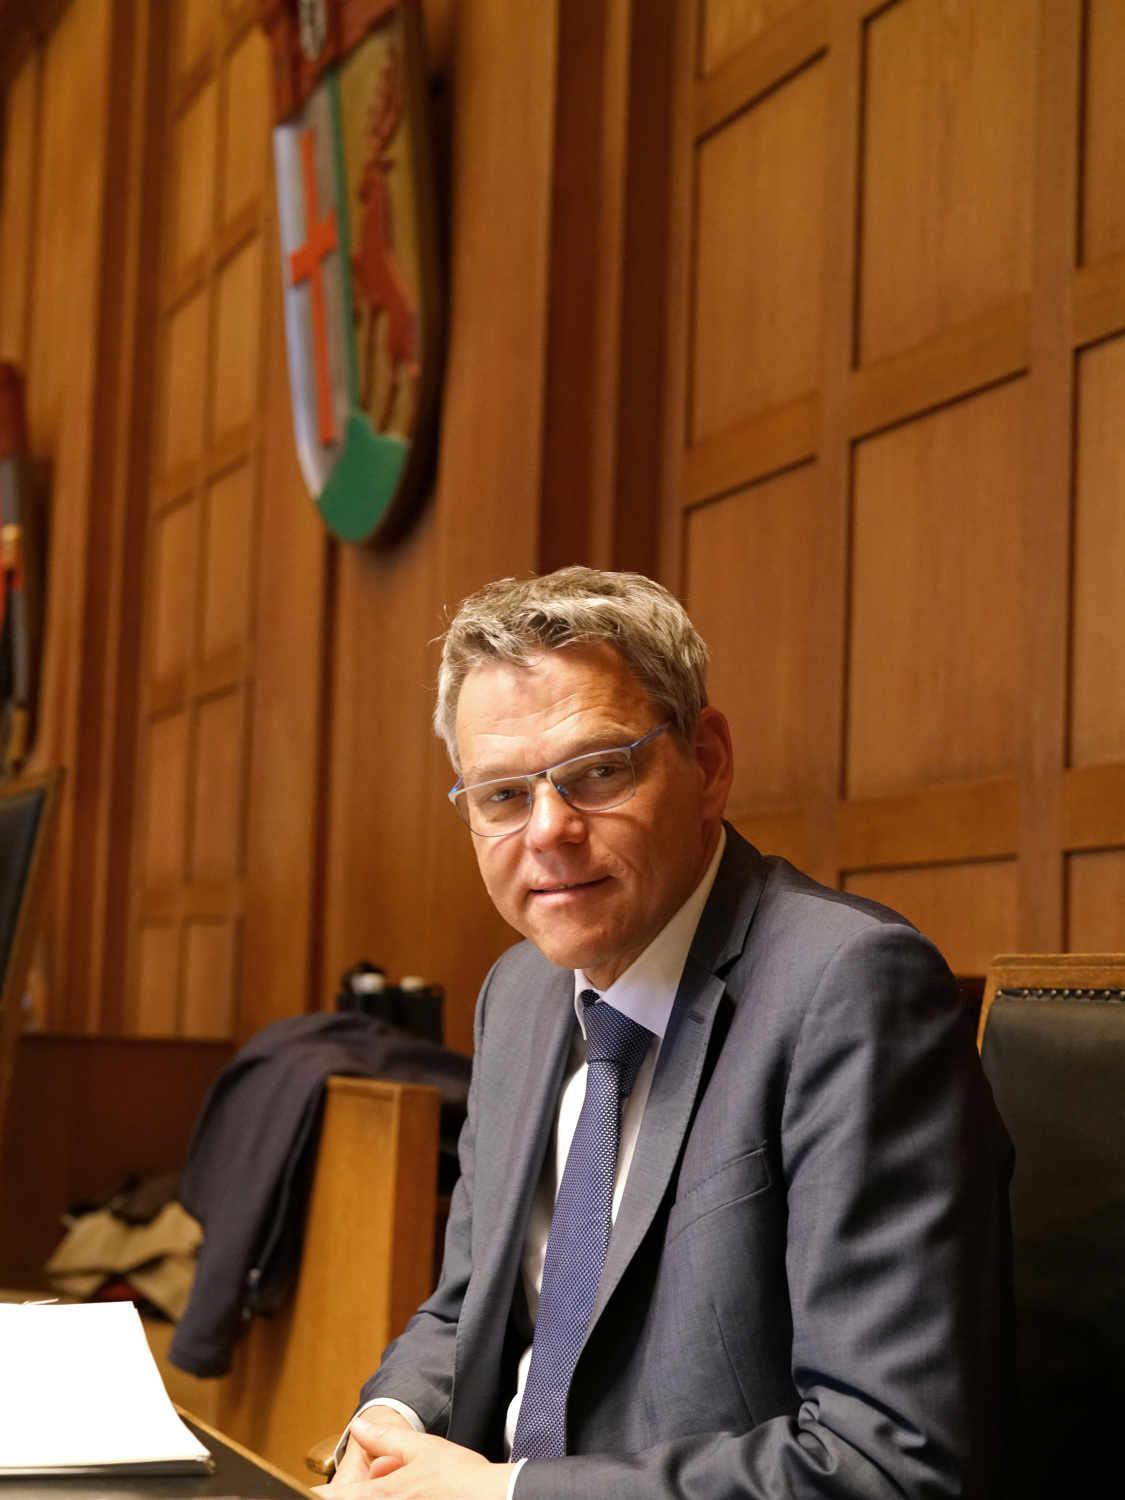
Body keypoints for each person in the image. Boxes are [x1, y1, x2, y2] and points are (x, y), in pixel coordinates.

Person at [321, 567, 1014, 1500]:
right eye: (501, 797)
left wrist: (509, 1495)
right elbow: (467, 1309)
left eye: (598, 771)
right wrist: (389, 1422)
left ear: (708, 762)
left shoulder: (849, 990)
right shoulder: (521, 991)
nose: (549, 831)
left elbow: (885, 1460)